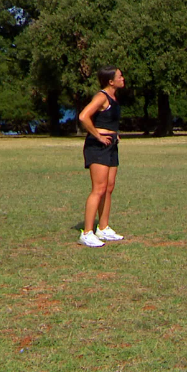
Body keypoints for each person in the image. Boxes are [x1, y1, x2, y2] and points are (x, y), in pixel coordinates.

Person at [78, 66, 127, 247]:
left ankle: (103, 228)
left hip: (111, 145)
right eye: (120, 76)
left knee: (108, 187)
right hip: (97, 147)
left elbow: (108, 121)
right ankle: (87, 233)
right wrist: (98, 135)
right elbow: (84, 117)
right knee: (98, 189)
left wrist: (115, 133)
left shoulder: (114, 98)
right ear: (110, 81)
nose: (123, 79)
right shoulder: (101, 97)